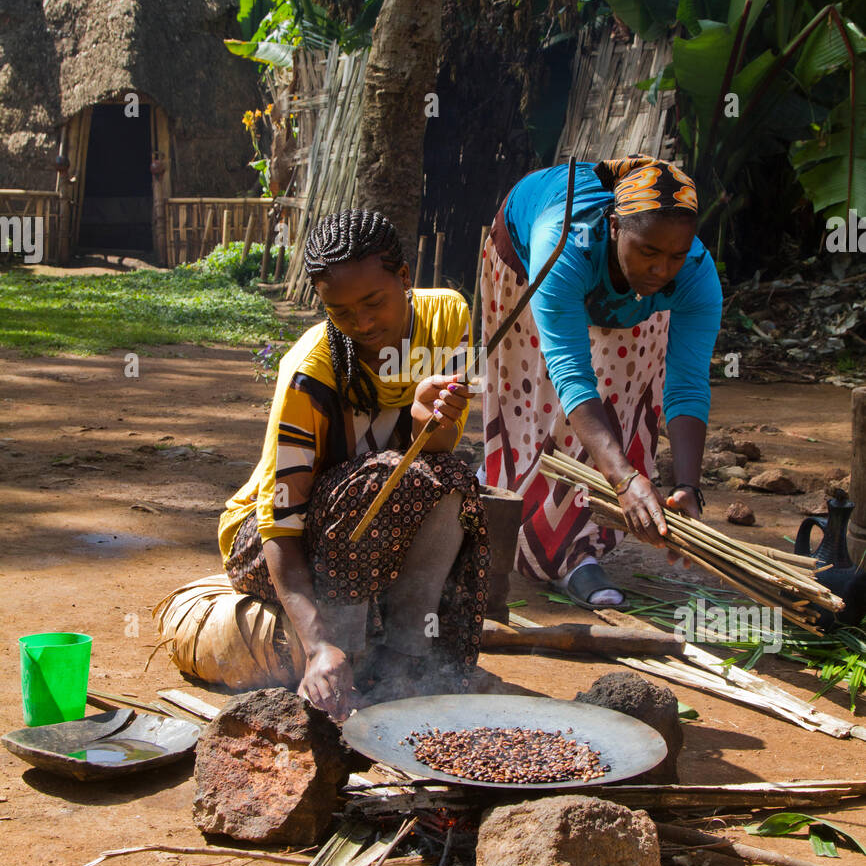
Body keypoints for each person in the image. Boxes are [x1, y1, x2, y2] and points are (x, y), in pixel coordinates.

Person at [218, 208, 489, 721]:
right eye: (340, 312)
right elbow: (281, 522)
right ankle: (344, 660)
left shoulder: (447, 318)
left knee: (452, 477)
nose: (362, 324)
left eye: (374, 302)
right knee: (375, 480)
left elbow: (439, 448)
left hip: (364, 525)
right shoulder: (310, 373)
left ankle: (409, 657)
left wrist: (423, 418)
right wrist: (318, 644)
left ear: (405, 278)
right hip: (265, 541)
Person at [480, 154, 722, 607]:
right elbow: (570, 373)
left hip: (617, 290)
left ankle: (580, 545)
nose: (660, 269)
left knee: (623, 397)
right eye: (648, 251)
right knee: (543, 406)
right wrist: (626, 480)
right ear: (614, 226)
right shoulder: (561, 247)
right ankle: (547, 540)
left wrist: (688, 486)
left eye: (675, 255)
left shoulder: (694, 272)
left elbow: (686, 384)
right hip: (527, 255)